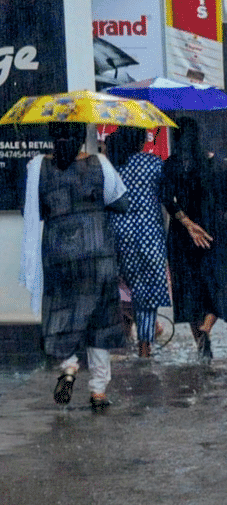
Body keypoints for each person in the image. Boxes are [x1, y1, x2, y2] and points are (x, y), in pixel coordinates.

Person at [20, 121, 130, 410]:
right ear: (83, 138)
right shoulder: (100, 163)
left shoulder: (37, 167)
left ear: (52, 136)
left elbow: (31, 210)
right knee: (101, 322)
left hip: (59, 252)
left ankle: (69, 367)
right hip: (98, 251)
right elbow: (122, 202)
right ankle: (98, 391)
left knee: (63, 311)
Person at [160, 117, 227, 360]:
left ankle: (200, 341)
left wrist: (188, 224)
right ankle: (206, 329)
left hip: (183, 237)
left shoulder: (171, 165)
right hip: (212, 232)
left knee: (189, 290)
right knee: (216, 285)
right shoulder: (214, 164)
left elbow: (166, 199)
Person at [105, 126, 170, 359]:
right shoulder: (154, 165)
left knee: (122, 290)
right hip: (149, 237)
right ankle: (145, 349)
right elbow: (167, 195)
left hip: (119, 236)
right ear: (141, 140)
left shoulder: (112, 167)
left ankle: (121, 344)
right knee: (148, 295)